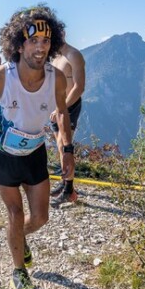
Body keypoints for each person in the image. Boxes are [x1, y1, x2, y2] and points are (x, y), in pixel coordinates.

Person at [0, 4, 75, 289]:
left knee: (40, 218)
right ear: (19, 44)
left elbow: (62, 112)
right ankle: (19, 272)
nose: (40, 47)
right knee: (15, 214)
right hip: (2, 154)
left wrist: (67, 150)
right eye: (33, 40)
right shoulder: (0, 77)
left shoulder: (56, 77)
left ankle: (18, 238)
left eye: (46, 40)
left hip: (35, 152)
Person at [49, 36, 86, 205]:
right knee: (59, 146)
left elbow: (79, 87)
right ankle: (65, 183)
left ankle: (69, 190)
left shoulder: (73, 55)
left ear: (61, 33)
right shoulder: (55, 57)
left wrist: (61, 108)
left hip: (69, 105)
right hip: (55, 107)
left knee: (65, 146)